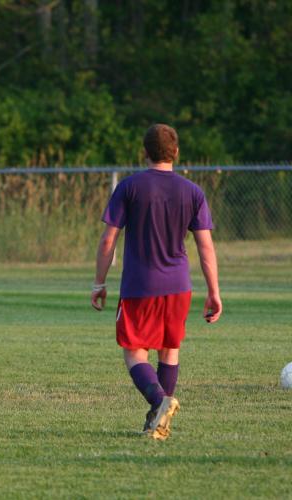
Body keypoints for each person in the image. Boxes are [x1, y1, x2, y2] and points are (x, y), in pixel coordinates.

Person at [91, 124, 222, 440]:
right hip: (179, 286)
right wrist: (214, 292)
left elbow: (109, 240)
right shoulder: (193, 191)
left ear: (144, 152)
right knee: (169, 349)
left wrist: (99, 283)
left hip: (140, 286)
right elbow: (205, 247)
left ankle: (159, 401)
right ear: (176, 152)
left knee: (134, 351)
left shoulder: (130, 187)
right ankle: (158, 420)